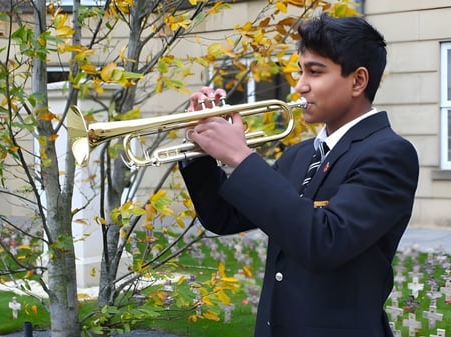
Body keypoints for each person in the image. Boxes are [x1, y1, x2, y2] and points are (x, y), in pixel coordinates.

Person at [179, 13, 419, 337]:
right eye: (300, 70)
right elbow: (224, 217)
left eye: (314, 72)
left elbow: (325, 240)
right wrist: (201, 152)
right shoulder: (301, 154)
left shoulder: (389, 154)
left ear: (358, 81)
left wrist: (239, 155)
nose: (299, 85)